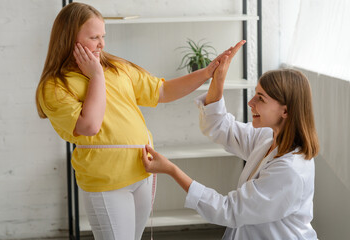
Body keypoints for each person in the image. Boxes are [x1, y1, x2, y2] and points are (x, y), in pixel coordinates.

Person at [35, 2, 244, 240]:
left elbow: (162, 91)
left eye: (103, 36)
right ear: (69, 39)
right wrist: (95, 76)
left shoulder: (117, 68)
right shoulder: (55, 85)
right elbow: (90, 125)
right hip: (106, 179)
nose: (102, 43)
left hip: (142, 172)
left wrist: (208, 73)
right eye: (94, 37)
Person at [142, 54, 320, 238]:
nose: (251, 102)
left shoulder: (290, 170)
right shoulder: (268, 138)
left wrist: (172, 170)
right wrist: (218, 78)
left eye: (261, 98)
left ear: (285, 110)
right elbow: (221, 127)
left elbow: (229, 211)